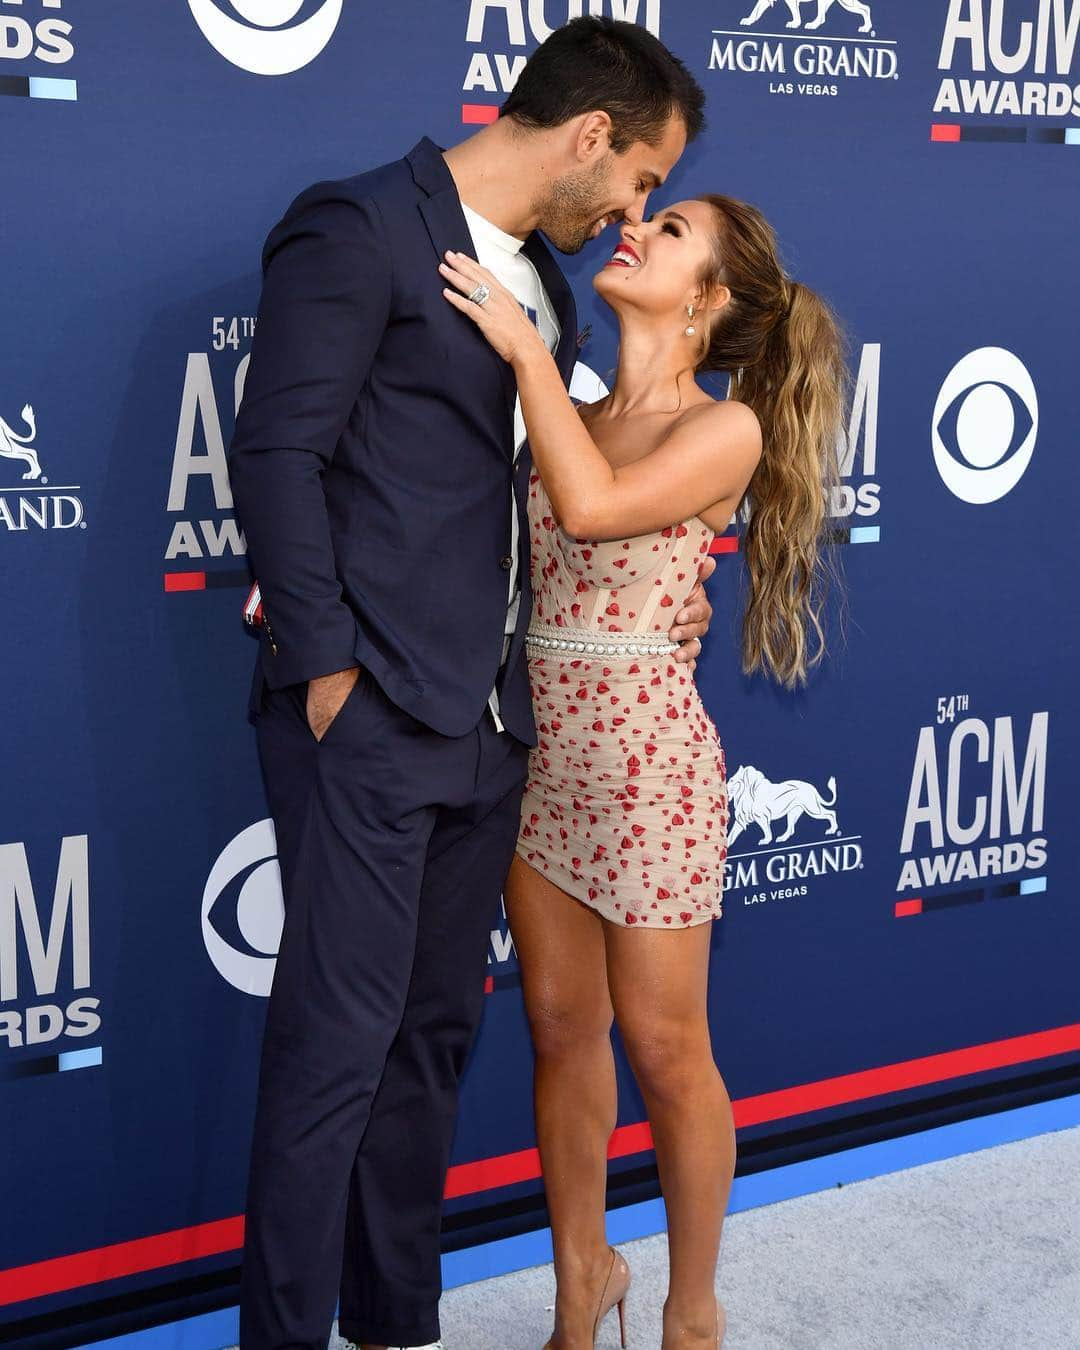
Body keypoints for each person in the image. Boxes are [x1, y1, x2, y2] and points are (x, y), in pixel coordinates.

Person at [226, 17, 715, 1350]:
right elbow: (274, 455)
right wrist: (329, 674)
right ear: (592, 135)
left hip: (492, 728)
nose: (635, 208)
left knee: (431, 1041)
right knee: (333, 1052)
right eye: (642, 178)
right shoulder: (358, 225)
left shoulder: (546, 297)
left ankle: (393, 1324)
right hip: (367, 714)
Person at [440, 190, 849, 1348]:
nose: (639, 230)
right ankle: (583, 1285)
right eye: (647, 218)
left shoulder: (725, 430)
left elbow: (592, 502)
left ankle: (691, 1313)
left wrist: (520, 345)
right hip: (538, 764)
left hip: (649, 773)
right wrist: (537, 369)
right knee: (562, 1030)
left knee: (669, 1052)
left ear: (708, 300)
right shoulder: (569, 398)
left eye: (670, 234)